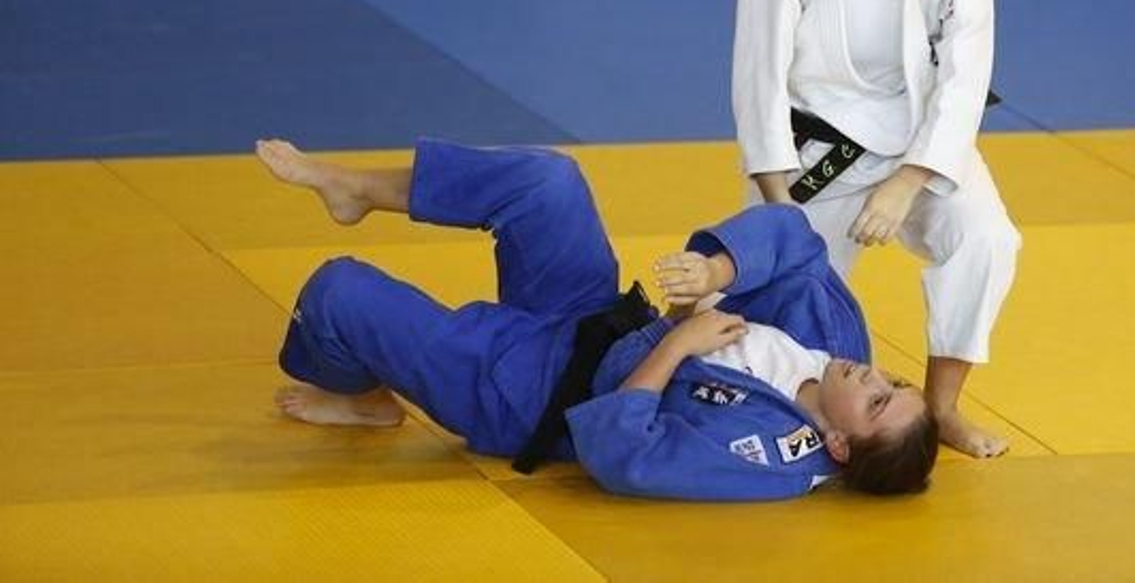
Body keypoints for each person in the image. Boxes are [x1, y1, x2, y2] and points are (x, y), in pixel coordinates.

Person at [257, 136, 937, 501]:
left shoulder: (763, 457)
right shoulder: (835, 344)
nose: (875, 376)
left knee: (338, 291)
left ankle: (364, 395)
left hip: (529, 391)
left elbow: (623, 457)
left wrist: (679, 342)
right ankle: (357, 189)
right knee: (547, 181)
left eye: (878, 401)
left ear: (838, 444)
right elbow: (794, 241)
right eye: (896, 382)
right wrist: (715, 274)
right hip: (597, 319)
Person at [732, 0, 1021, 458]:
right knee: (777, 315)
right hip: (814, 155)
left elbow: (963, 84)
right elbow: (757, 81)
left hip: (920, 145)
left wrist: (908, 181)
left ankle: (943, 407)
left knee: (987, 240)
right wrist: (780, 215)